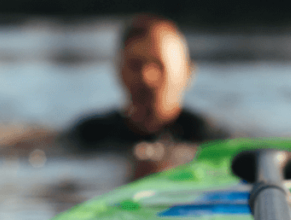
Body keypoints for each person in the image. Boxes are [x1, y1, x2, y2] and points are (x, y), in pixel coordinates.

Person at [67, 14, 229, 178]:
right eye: (135, 65)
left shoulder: (212, 139)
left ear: (187, 73)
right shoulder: (88, 135)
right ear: (119, 71)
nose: (147, 77)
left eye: (159, 65)